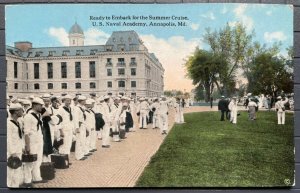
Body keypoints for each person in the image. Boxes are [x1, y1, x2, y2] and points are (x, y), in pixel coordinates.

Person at [23, 97, 48, 185]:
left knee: (38, 160)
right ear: (35, 105)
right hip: (32, 141)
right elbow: (26, 133)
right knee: (30, 162)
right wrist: (27, 145)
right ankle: (27, 181)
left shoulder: (38, 115)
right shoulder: (28, 116)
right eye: (40, 105)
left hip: (39, 141)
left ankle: (37, 178)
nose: (42, 107)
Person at [7, 103, 24, 188]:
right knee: (10, 171)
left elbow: (20, 137)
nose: (22, 111)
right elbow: (8, 139)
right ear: (16, 112)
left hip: (18, 150)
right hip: (11, 152)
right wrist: (12, 152)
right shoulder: (8, 123)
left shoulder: (18, 122)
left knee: (17, 170)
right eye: (21, 110)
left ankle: (15, 186)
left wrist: (22, 147)